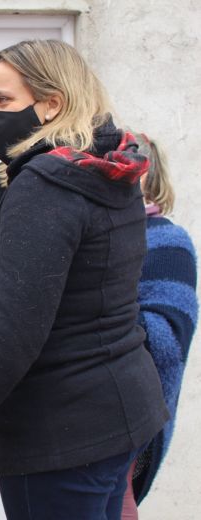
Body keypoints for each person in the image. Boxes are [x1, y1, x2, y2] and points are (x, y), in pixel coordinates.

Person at [0, 39, 169, 520]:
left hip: (62, 432)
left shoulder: (46, 185)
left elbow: (13, 333)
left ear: (52, 103)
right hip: (119, 413)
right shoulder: (113, 170)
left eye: (3, 100)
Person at [120, 136, 198, 519]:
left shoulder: (166, 242)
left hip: (127, 424)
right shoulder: (99, 239)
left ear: (145, 176)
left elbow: (167, 341)